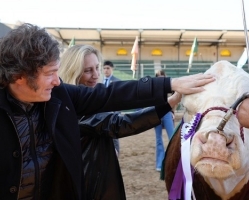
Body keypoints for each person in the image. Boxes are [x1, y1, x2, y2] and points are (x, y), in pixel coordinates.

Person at [0, 23, 215, 200]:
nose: (57, 81)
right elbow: (117, 123)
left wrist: (170, 84)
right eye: (49, 74)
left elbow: (110, 94)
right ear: (20, 75)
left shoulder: (59, 96)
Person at [58, 44, 181, 199]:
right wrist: (168, 104)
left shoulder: (88, 100)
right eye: (88, 70)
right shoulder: (73, 108)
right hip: (89, 188)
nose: (96, 75)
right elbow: (119, 123)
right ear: (73, 72)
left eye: (97, 68)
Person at [153, 70, 176, 171]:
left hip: (166, 114)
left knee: (172, 137)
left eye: (162, 76)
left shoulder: (169, 87)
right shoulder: (153, 88)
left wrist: (172, 112)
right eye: (158, 76)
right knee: (158, 139)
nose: (160, 77)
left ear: (164, 76)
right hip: (156, 114)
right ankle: (159, 163)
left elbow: (174, 99)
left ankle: (173, 161)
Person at [102, 60, 121, 156]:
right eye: (104, 68)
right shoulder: (98, 81)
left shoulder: (117, 82)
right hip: (101, 113)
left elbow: (120, 99)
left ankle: (116, 154)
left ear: (112, 69)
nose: (106, 70)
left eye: (108, 68)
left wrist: (116, 113)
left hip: (113, 113)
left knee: (114, 135)